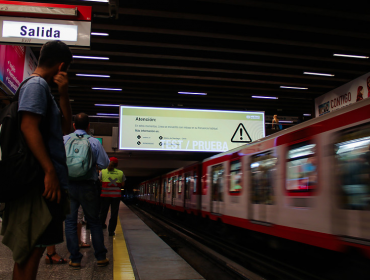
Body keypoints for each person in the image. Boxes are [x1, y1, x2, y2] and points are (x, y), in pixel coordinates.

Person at [0, 40, 72, 280]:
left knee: (34, 250)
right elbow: (28, 126)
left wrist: (63, 94)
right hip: (36, 182)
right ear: (62, 65)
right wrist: (49, 171)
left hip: (39, 181)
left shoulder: (43, 89)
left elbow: (63, 129)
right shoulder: (36, 85)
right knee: (29, 252)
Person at [64, 113, 110, 269]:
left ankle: (75, 259)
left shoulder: (65, 140)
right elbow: (104, 163)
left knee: (70, 222)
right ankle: (101, 257)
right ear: (88, 126)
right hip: (88, 185)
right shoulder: (93, 141)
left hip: (69, 185)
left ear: (74, 125)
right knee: (94, 222)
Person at [99, 157, 126, 236]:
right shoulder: (120, 173)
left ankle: (100, 227)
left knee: (103, 212)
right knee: (114, 213)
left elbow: (100, 181)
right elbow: (123, 184)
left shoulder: (103, 172)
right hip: (116, 196)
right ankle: (111, 231)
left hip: (105, 196)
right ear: (117, 165)